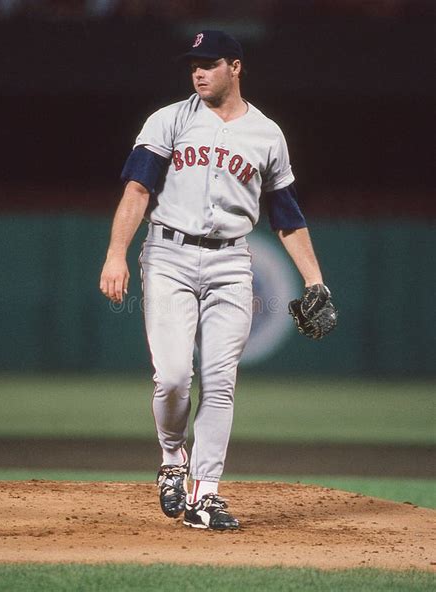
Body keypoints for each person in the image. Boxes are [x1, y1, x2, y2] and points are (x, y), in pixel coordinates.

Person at [100, 30, 335, 530]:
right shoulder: (169, 120)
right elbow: (138, 189)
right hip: (167, 255)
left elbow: (286, 216)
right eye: (193, 64)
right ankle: (171, 458)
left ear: (236, 67)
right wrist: (116, 254)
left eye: (209, 63)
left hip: (232, 263)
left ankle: (205, 496)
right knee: (174, 378)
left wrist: (316, 281)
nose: (198, 72)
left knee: (221, 382)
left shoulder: (267, 135)